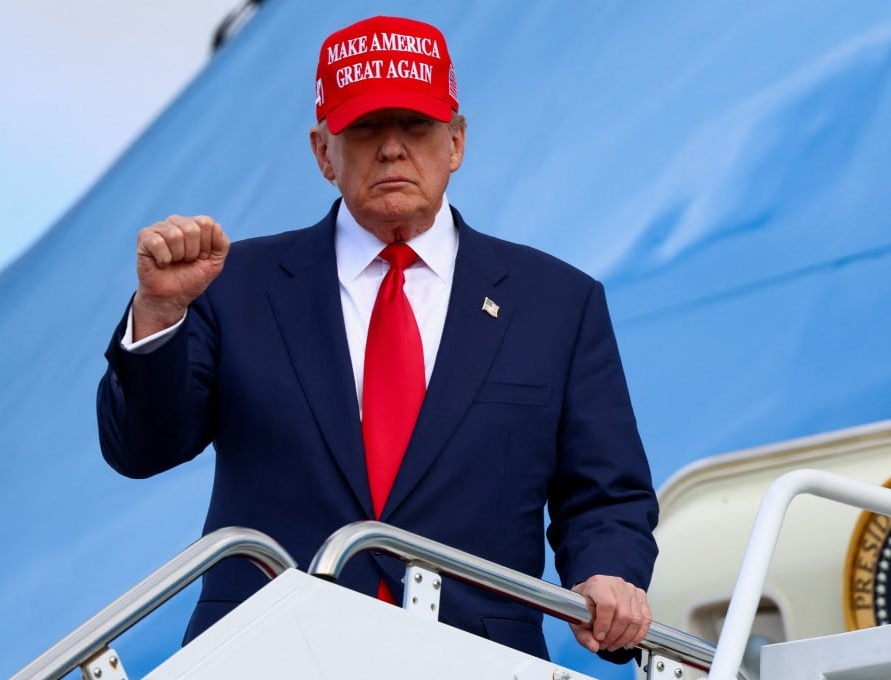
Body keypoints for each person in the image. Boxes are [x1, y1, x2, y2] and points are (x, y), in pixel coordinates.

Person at [97, 14, 658, 665]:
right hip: (270, 655)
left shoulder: (557, 303)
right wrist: (159, 314)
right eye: (365, 127)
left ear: (456, 142)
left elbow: (604, 492)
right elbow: (141, 449)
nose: (392, 148)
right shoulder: (232, 284)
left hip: (472, 660)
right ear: (321, 152)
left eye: (415, 125)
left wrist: (608, 572)